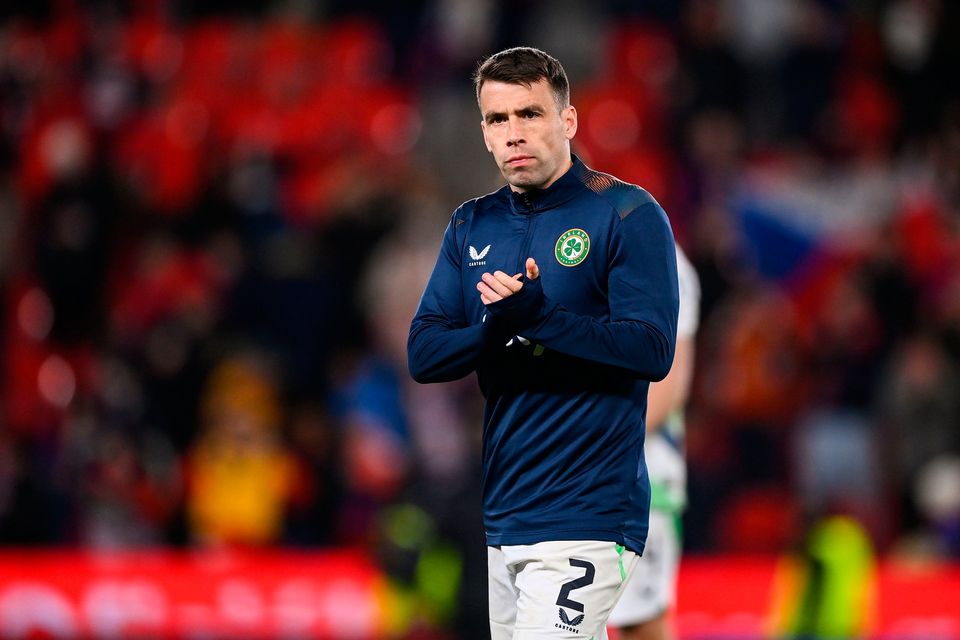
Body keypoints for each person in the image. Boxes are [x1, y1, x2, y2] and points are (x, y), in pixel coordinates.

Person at [408, 47, 679, 639]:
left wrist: (539, 317)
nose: (514, 133)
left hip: (589, 507)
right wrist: (497, 328)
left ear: (568, 121)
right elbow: (424, 354)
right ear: (483, 131)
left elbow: (653, 350)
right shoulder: (471, 224)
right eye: (498, 120)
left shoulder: (627, 214)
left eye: (529, 114)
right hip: (506, 512)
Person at [608, 245, 700, 640]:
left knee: (638, 622)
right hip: (562, 475)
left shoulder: (659, 256)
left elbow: (667, 384)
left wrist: (589, 446)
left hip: (637, 477)